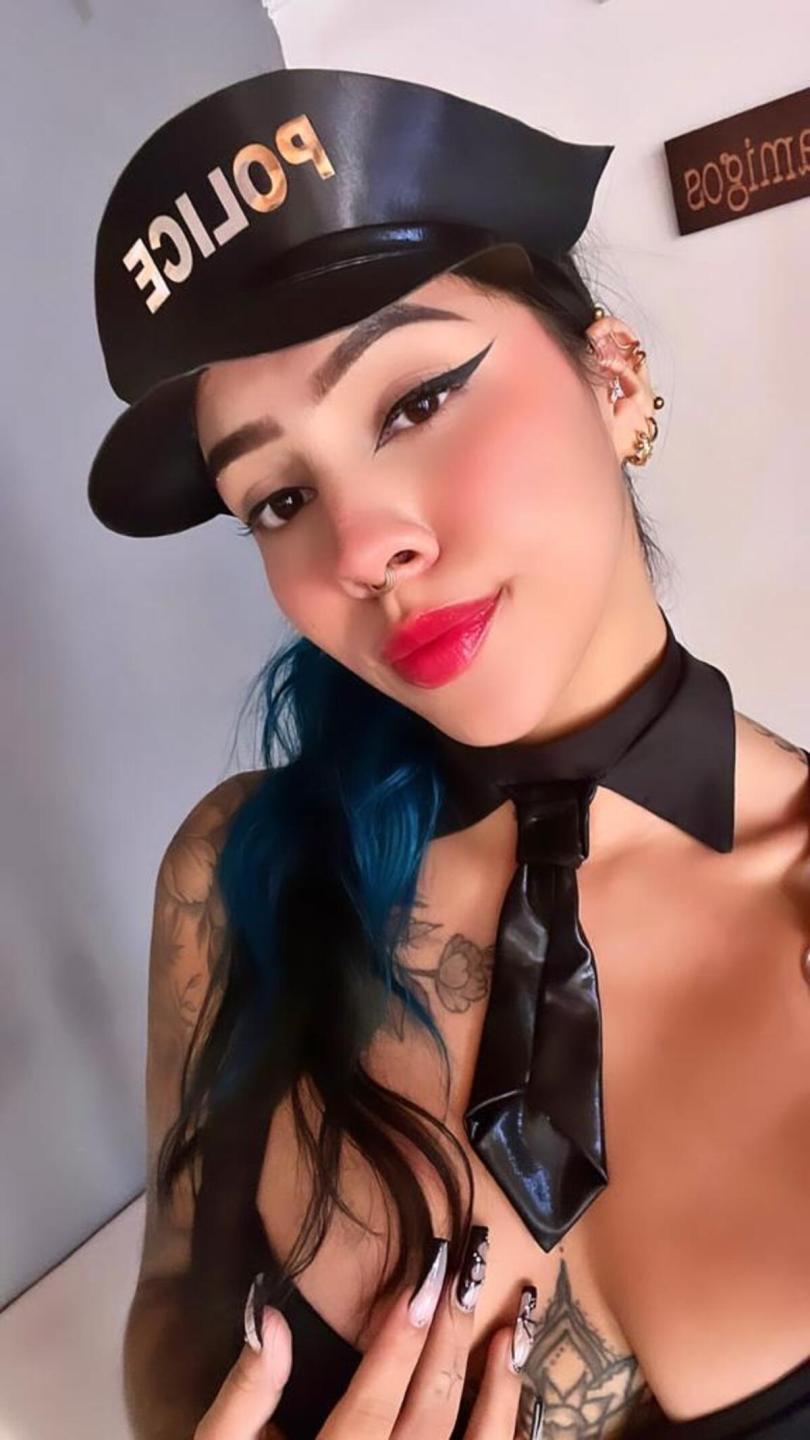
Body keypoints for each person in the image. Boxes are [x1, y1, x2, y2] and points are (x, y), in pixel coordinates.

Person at [87, 69, 810, 1440]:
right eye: (278, 498)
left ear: (613, 378)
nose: (362, 548)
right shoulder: (239, 878)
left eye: (415, 402)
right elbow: (174, 1297)